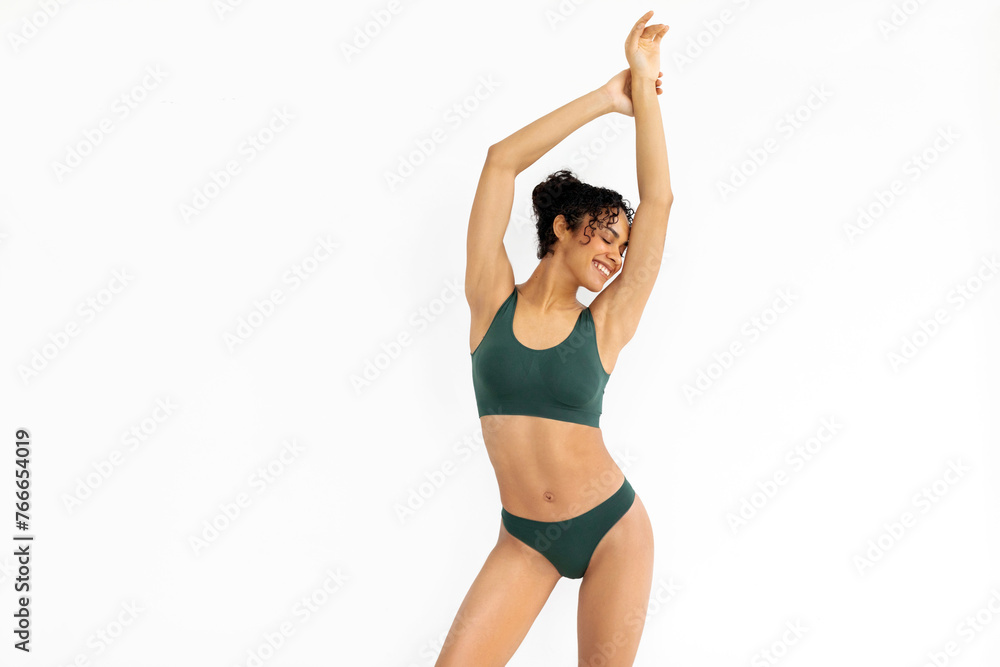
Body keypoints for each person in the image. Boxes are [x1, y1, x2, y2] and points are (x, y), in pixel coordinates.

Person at [436, 10, 673, 666]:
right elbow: (500, 162)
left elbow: (659, 202)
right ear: (563, 227)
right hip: (525, 540)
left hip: (613, 530)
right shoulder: (491, 301)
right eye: (606, 234)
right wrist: (606, 99)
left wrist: (647, 90)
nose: (616, 256)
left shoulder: (608, 322)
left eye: (622, 248)